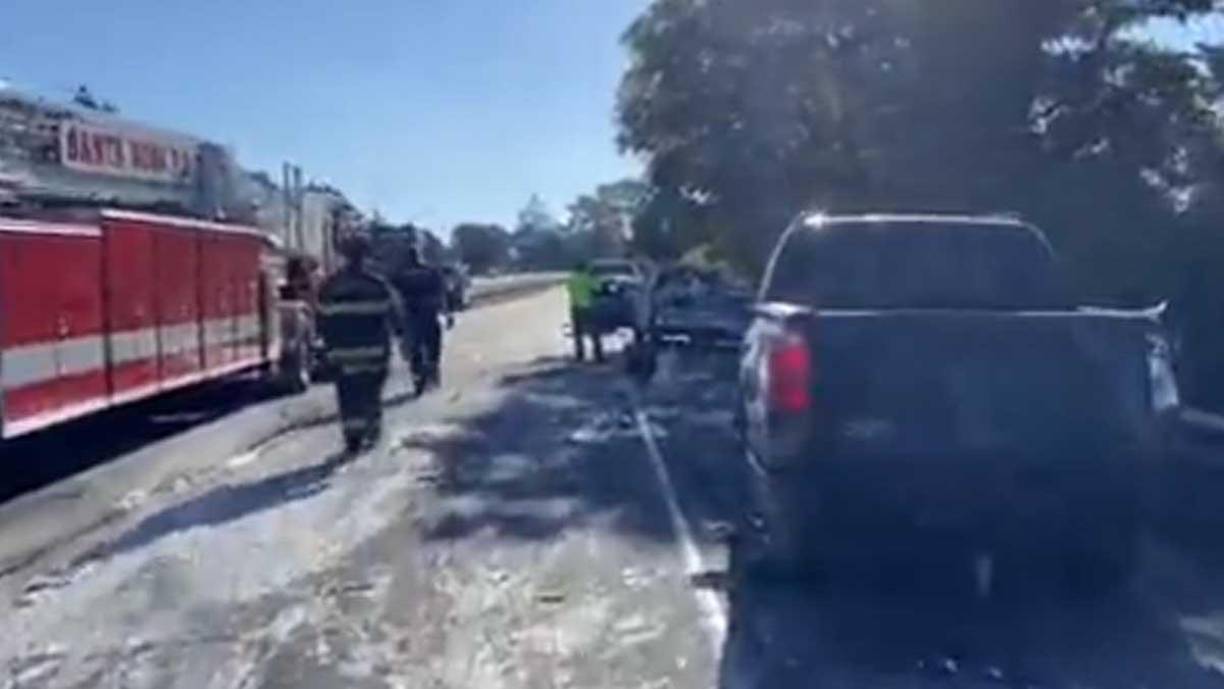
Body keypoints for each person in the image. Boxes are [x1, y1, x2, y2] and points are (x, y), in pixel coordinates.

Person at [318, 233, 404, 454]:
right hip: (374, 351)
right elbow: (395, 315)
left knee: (348, 393)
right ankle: (372, 428)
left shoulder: (330, 286)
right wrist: (401, 336)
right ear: (365, 255)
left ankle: (353, 437)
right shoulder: (377, 285)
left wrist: (326, 347)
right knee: (371, 391)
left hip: (341, 353)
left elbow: (322, 320)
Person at [390, 246, 451, 394]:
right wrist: (446, 312)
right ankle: (432, 374)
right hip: (429, 315)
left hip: (412, 317)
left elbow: (394, 296)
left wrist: (396, 321)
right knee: (433, 347)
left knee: (415, 350)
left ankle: (419, 379)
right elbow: (441, 294)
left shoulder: (400, 275)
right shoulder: (431, 272)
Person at [566, 261, 603, 362]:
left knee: (578, 333)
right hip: (588, 307)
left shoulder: (572, 279)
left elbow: (570, 290)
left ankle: (580, 355)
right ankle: (598, 355)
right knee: (594, 332)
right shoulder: (587, 278)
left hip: (575, 307)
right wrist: (596, 279)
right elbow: (598, 289)